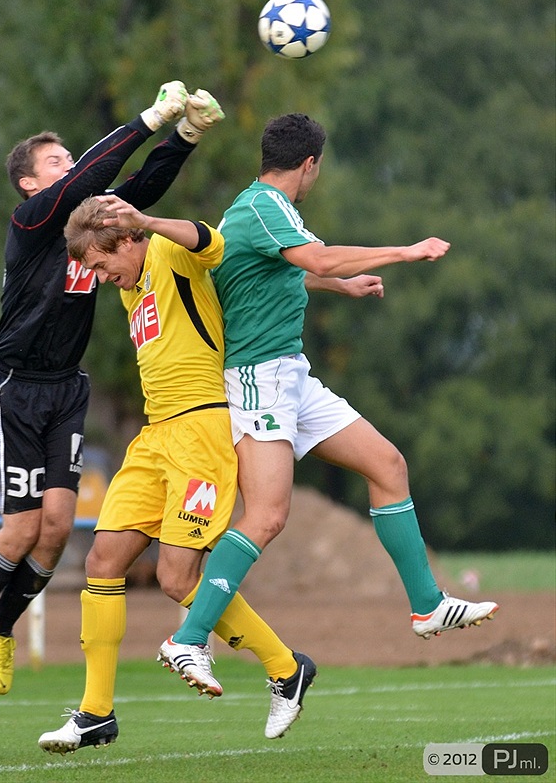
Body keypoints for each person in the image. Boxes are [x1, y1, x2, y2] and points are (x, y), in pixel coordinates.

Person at [158, 113, 498, 690]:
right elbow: (315, 257)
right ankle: (188, 640)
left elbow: (281, 271)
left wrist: (342, 285)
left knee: (387, 464)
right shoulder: (264, 205)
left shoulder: (263, 213)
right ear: (310, 164)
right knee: (267, 516)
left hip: (292, 376)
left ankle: (426, 605)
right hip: (257, 380)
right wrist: (404, 252)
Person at [0, 81, 224, 708]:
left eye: (70, 158)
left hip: (66, 388)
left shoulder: (89, 229)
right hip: (13, 388)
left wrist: (186, 135)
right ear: (32, 186)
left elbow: (141, 193)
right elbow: (94, 172)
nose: (72, 168)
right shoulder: (32, 221)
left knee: (59, 529)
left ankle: (0, 627)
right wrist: (147, 119)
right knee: (21, 529)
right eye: (58, 163)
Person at [37, 193, 317, 753]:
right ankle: (96, 714)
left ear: (128, 239)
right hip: (155, 436)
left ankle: (287, 668)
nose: (99, 276)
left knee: (176, 578)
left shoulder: (168, 249)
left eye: (100, 263)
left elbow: (209, 240)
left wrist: (147, 219)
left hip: (203, 433)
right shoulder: (130, 288)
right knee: (103, 560)